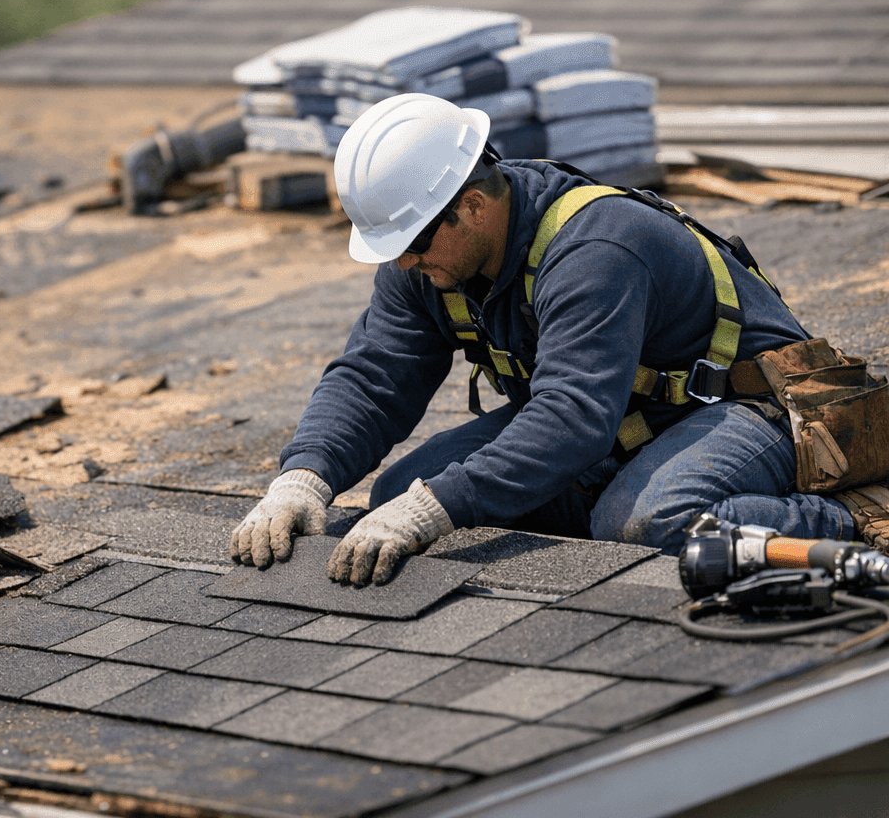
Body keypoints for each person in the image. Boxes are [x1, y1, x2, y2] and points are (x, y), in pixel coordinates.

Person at [230, 93, 868, 585]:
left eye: (413, 241)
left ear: (473, 206)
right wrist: (304, 477)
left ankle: (853, 520)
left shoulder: (596, 247)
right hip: (625, 415)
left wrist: (443, 506)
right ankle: (610, 497)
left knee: (645, 525)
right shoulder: (431, 262)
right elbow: (374, 378)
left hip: (748, 406)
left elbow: (571, 415)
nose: (402, 263)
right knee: (398, 496)